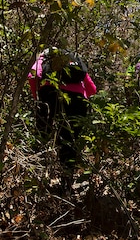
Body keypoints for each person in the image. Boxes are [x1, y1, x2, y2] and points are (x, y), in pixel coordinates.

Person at [28, 47, 97, 178]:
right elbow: (92, 89)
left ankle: (37, 173)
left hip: (50, 95)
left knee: (42, 133)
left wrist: (37, 97)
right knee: (70, 140)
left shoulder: (44, 57)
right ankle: (67, 180)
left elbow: (33, 75)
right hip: (78, 100)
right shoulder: (72, 59)